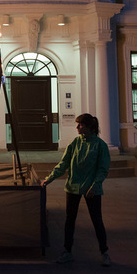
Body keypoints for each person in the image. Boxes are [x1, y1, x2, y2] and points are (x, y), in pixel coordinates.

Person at [42, 113, 111, 266]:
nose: (77, 127)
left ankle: (104, 252)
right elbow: (64, 163)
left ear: (90, 127)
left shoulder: (100, 145)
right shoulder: (75, 143)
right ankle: (67, 252)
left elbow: (102, 169)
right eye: (77, 124)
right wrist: (50, 178)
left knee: (97, 220)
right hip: (73, 187)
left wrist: (95, 185)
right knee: (69, 221)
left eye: (80, 124)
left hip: (91, 189)